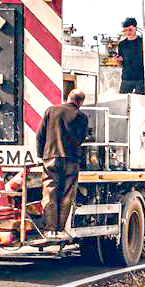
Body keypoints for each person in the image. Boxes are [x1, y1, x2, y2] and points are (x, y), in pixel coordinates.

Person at [36, 89, 90, 237]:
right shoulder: (82, 116)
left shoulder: (51, 111)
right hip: (71, 160)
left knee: (50, 192)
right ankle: (60, 228)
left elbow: (40, 135)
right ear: (80, 102)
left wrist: (41, 155)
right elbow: (82, 139)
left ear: (68, 98)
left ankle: (50, 228)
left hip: (51, 158)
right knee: (67, 194)